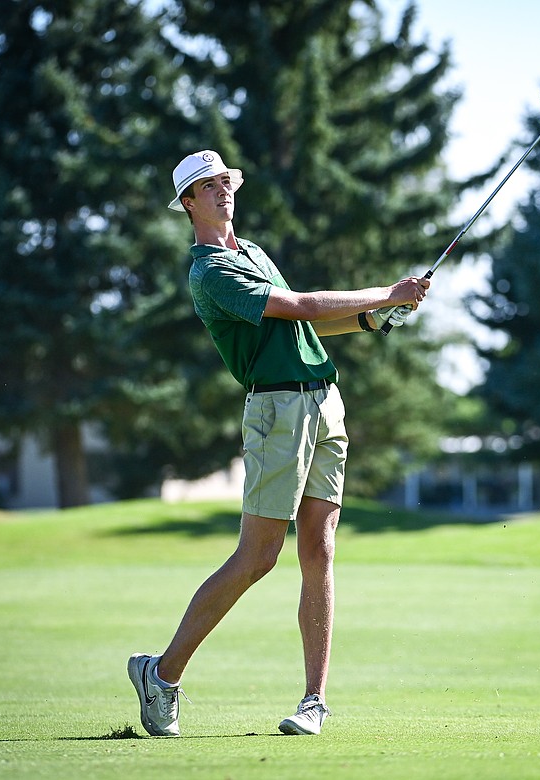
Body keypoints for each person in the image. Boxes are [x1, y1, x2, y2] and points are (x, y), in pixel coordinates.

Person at [128, 149, 430, 737]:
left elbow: (308, 325)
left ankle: (314, 700)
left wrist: (375, 318)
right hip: (276, 410)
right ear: (187, 204)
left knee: (319, 550)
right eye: (206, 187)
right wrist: (384, 293)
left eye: (225, 182)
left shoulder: (254, 252)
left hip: (324, 400)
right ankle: (161, 675)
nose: (221, 191)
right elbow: (298, 305)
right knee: (259, 556)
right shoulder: (211, 271)